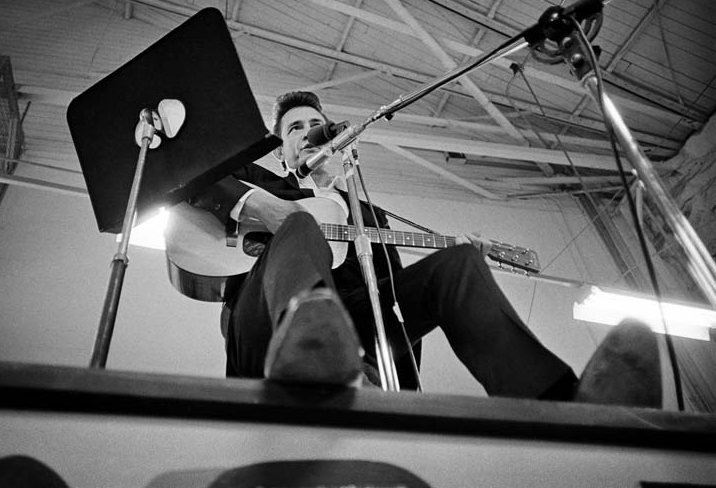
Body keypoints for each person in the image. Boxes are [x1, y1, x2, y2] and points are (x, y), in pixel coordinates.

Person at [189, 91, 661, 406]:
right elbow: (190, 179)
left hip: (358, 331)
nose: (310, 131)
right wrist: (263, 209)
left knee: (458, 265)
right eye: (296, 128)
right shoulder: (261, 180)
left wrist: (400, 381)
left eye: (318, 124)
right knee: (299, 226)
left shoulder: (368, 216)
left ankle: (562, 404)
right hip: (267, 322)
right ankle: (309, 341)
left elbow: (392, 304)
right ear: (280, 152)